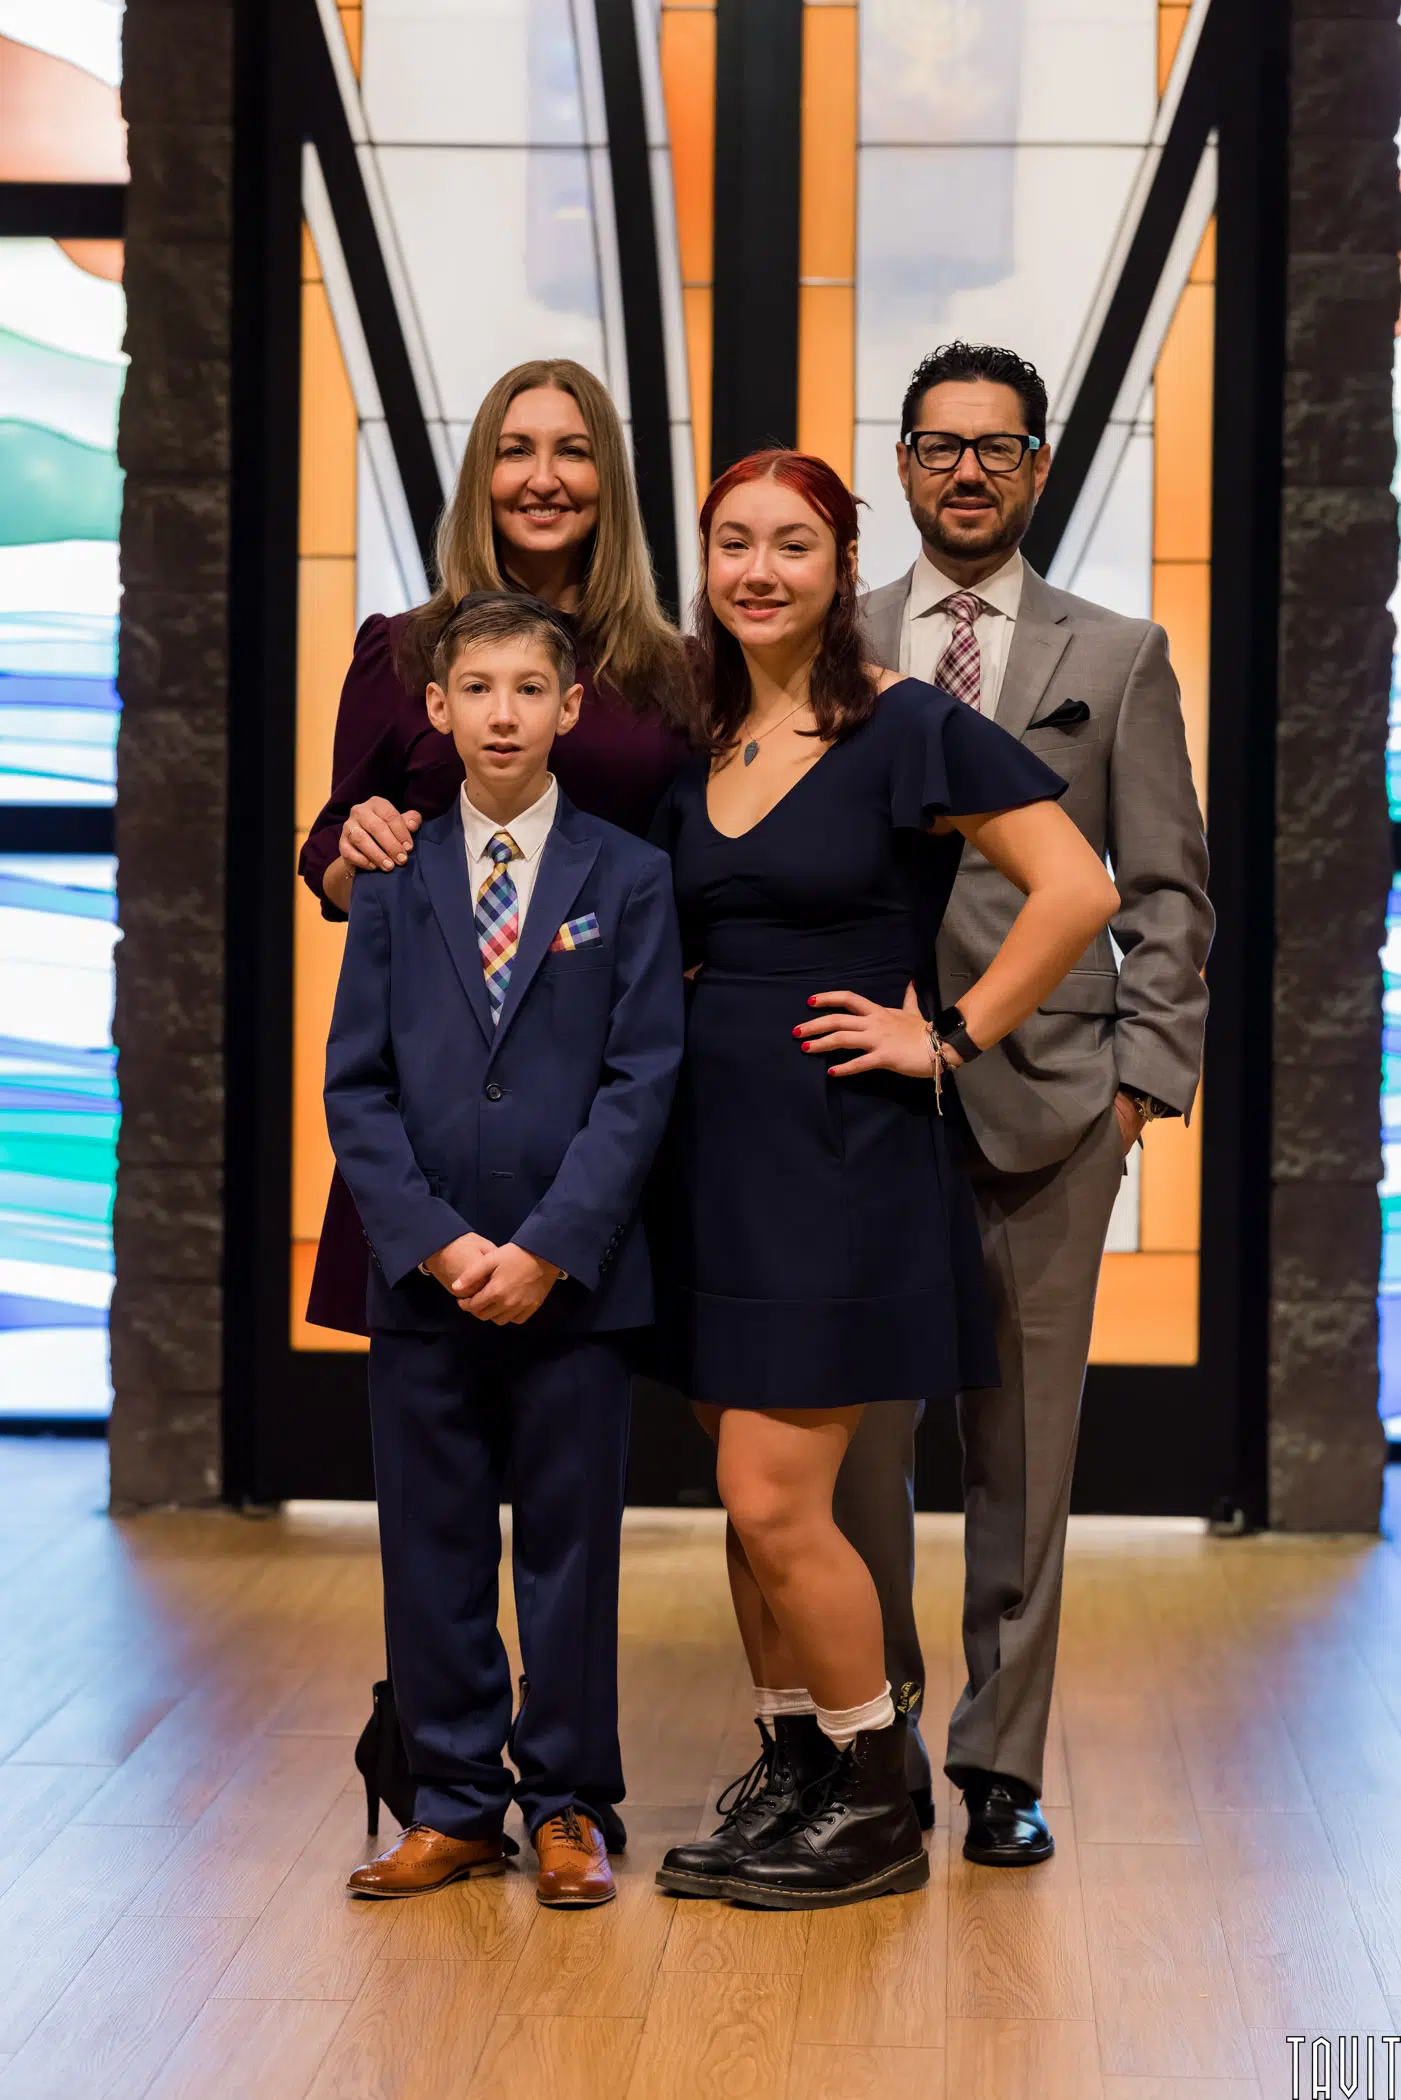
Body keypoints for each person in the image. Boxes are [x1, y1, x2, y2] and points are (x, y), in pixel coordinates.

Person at [651, 450, 1119, 1909]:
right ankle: (791, 1767)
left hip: (839, 1159)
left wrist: (953, 1034)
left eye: (792, 544)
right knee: (747, 1506)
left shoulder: (906, 724)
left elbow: (1080, 886)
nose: (758, 571)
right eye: (733, 543)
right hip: (714, 1157)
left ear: (837, 562)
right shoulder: (703, 737)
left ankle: (867, 1796)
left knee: (775, 1492)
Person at [859, 341, 1213, 1867]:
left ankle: (998, 1767)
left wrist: (1140, 1090)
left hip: (1054, 1108)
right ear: (903, 463)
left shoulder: (1116, 653)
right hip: (858, 1106)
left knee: (1025, 1456)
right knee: (858, 1455)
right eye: (940, 446)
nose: (968, 472)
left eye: (997, 448)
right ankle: (863, 1740)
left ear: (1039, 466)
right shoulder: (832, 638)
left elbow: (1170, 894)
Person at [324, 593, 684, 1908]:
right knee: (430, 1542)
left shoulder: (626, 879)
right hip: (426, 1287)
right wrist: (431, 1244)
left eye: (530, 690)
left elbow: (643, 1078)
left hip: (571, 1284)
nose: (502, 714)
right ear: (435, 710)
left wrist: (545, 1247)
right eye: (475, 690)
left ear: (571, 708)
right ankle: (455, 1798)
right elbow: (354, 1087)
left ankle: (570, 1799)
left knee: (570, 1546)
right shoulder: (394, 882)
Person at [299, 357, 690, 1335]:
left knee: (580, 1429)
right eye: (516, 451)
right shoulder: (403, 650)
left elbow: (699, 857)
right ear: (482, 476)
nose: (543, 478)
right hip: (435, 1095)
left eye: (573, 451)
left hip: (597, 1101)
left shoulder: (672, 668)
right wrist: (361, 848)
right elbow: (332, 851)